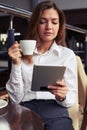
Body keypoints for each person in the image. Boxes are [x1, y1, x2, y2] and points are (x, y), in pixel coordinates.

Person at [6, 1, 77, 130]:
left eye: (54, 22)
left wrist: (63, 96)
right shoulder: (20, 52)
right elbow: (16, 99)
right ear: (35, 24)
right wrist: (16, 64)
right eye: (42, 21)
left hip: (55, 108)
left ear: (59, 26)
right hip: (26, 108)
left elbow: (71, 98)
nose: (49, 27)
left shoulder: (67, 55)